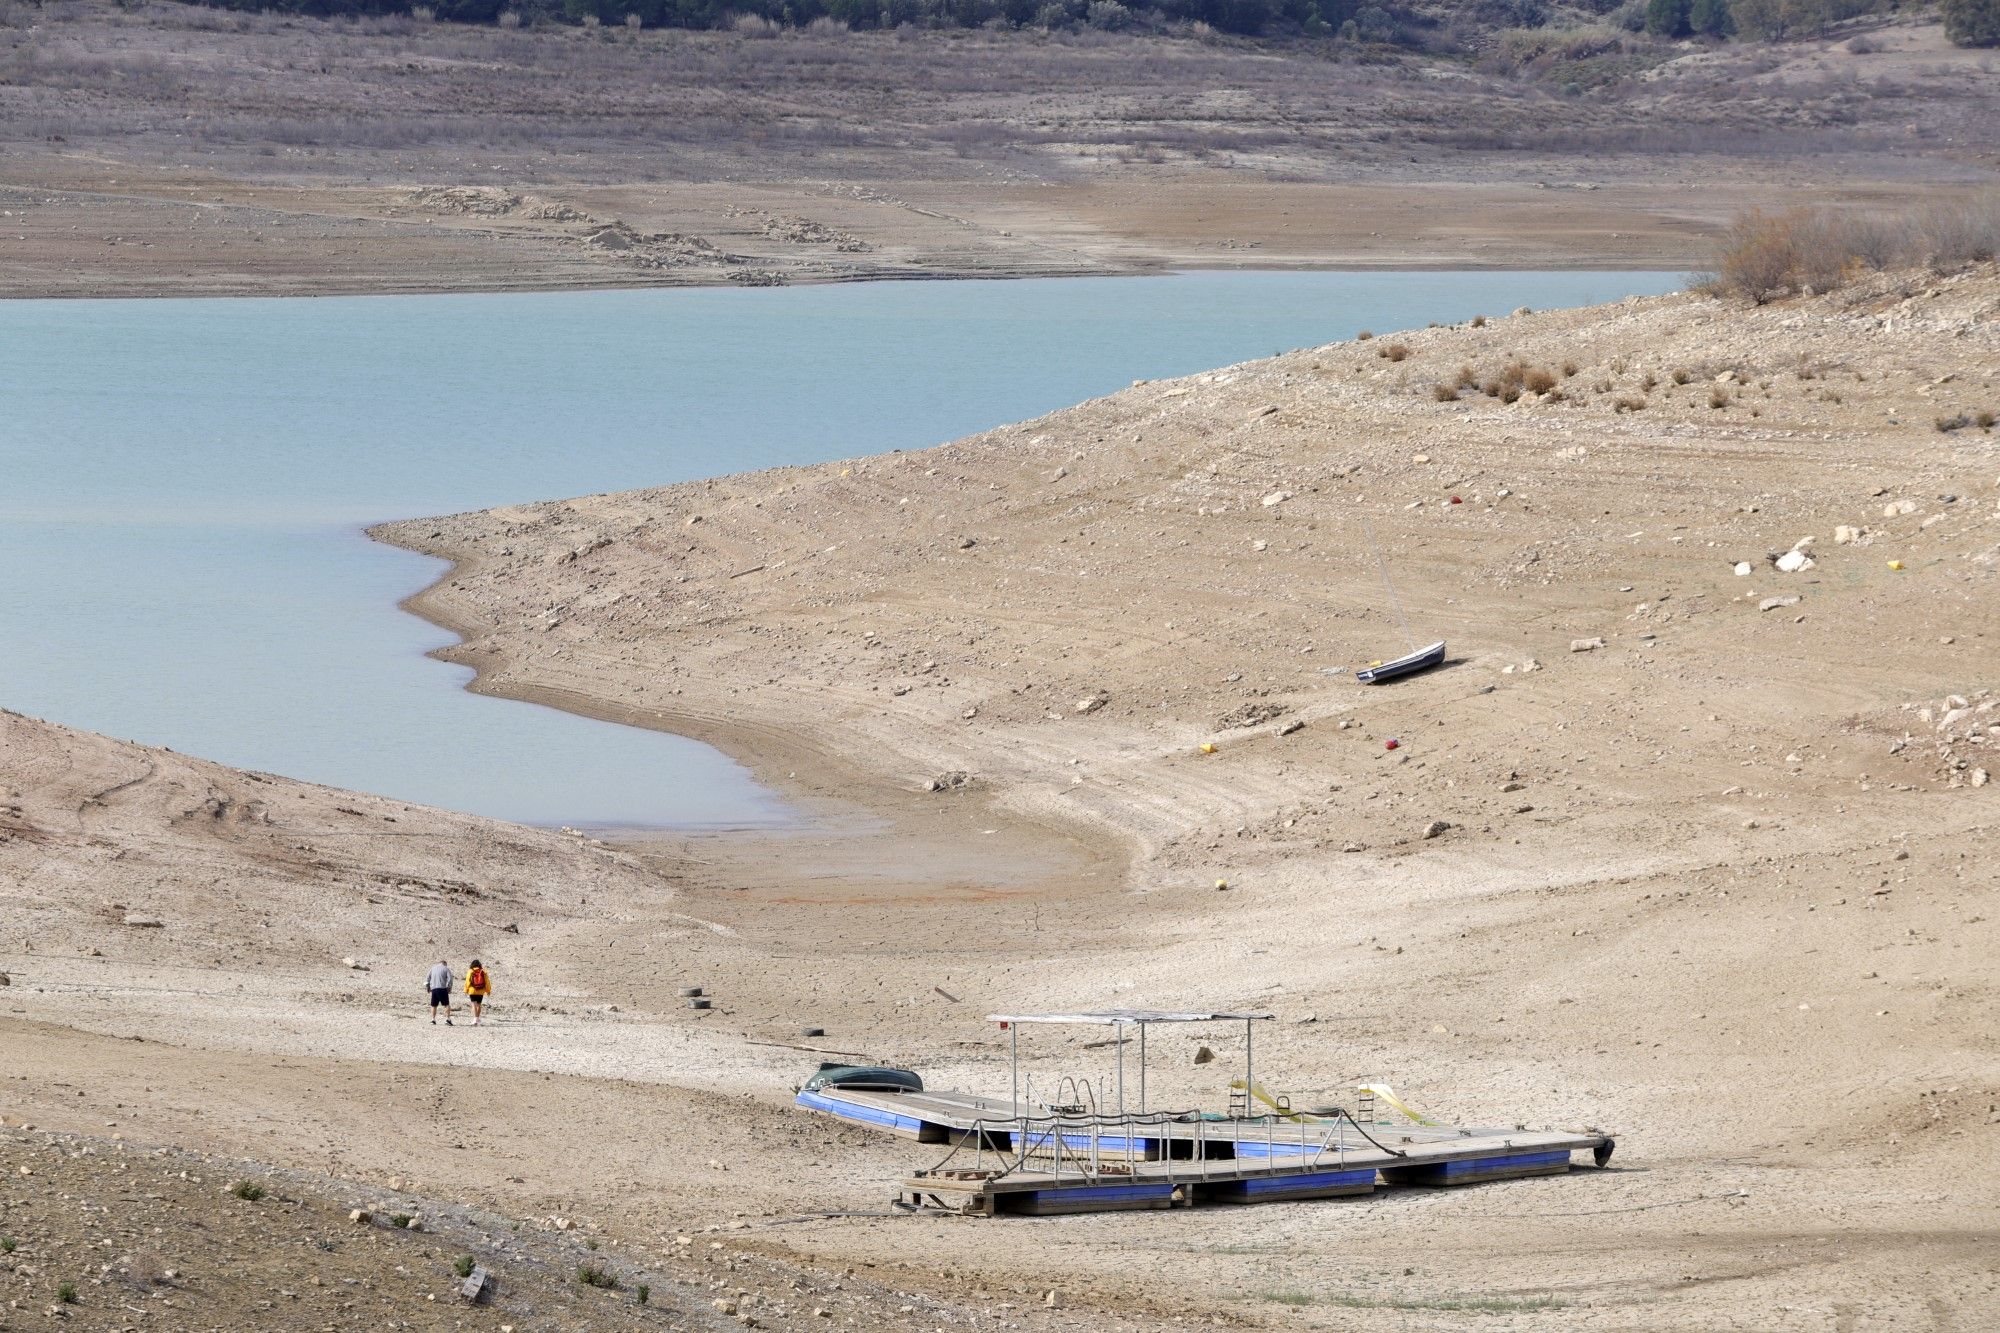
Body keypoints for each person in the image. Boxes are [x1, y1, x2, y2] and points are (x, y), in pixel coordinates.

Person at [464, 959, 491, 1026]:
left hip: (472, 990)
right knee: (479, 1005)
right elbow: (487, 982)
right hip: (481, 991)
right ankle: (478, 1018)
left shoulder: (470, 971)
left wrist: (466, 990)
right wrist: (488, 990)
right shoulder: (483, 971)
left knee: (474, 1005)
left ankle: (475, 1019)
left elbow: (467, 981)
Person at [426, 959, 453, 1025]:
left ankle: (433, 1019)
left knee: (433, 1005)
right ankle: (448, 1019)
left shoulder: (433, 968)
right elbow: (450, 979)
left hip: (434, 989)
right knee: (446, 1004)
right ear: (445, 964)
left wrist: (428, 987)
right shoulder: (446, 968)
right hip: (442, 989)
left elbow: (427, 978)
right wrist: (449, 988)